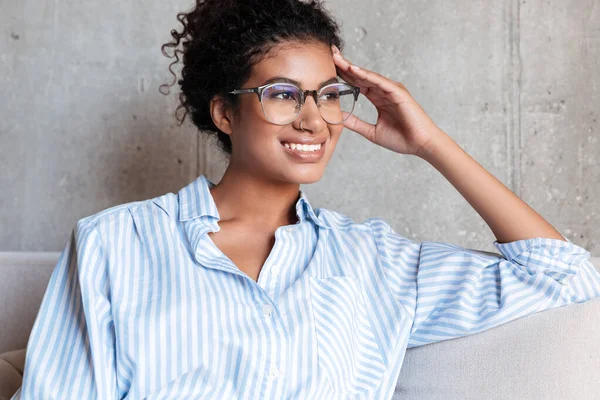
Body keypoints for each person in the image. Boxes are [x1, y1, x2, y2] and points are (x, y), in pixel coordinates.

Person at [12, 0, 600, 399]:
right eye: (282, 94)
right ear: (224, 112)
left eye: (329, 95)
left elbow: (564, 276)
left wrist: (429, 142)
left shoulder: (376, 262)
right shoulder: (114, 243)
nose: (314, 119)